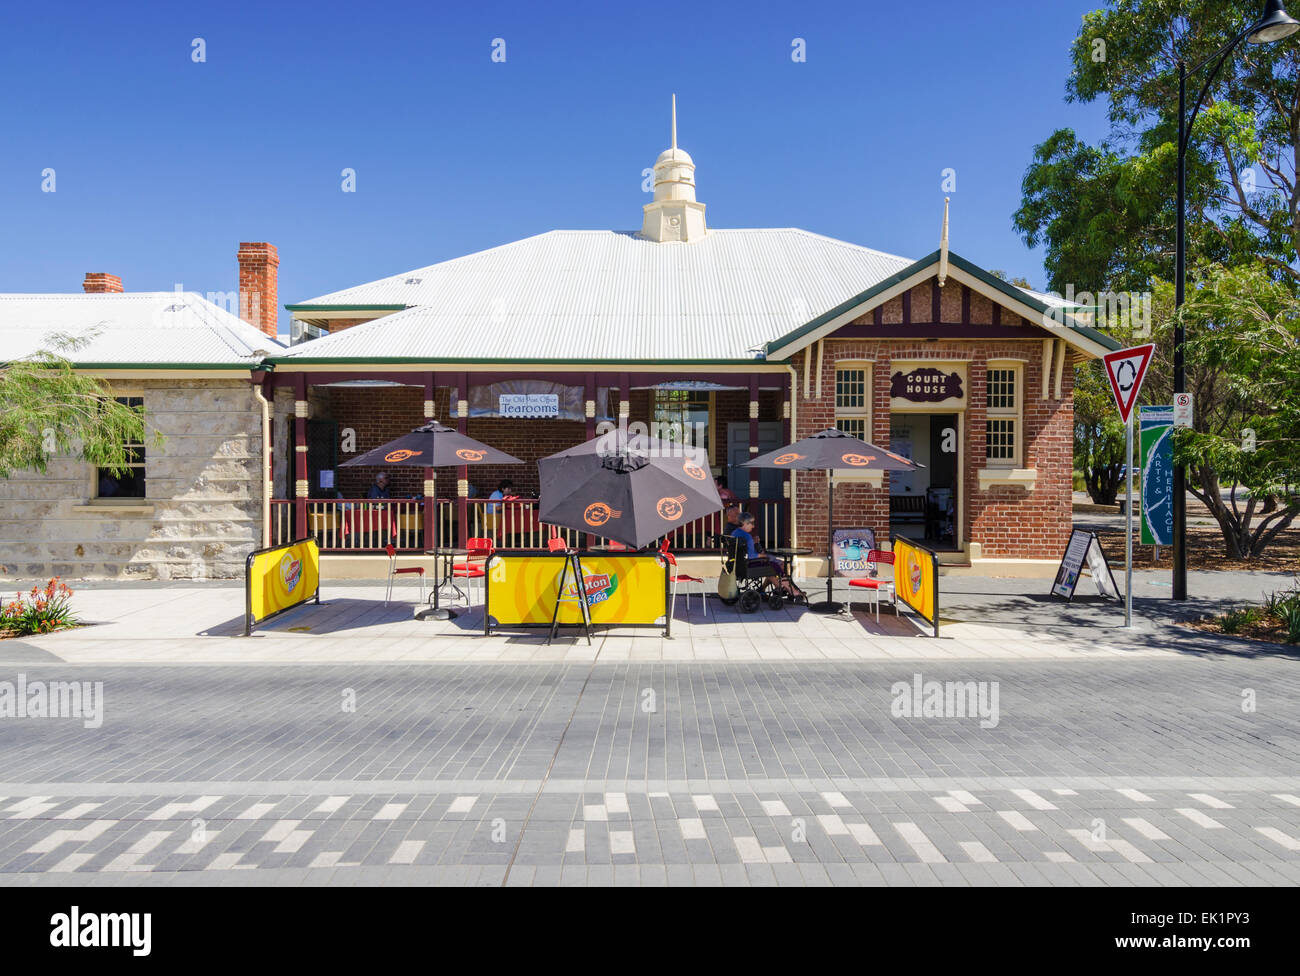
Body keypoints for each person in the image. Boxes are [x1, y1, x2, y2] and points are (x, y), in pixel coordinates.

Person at [730, 512, 803, 599]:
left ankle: (778, 588)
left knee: (772, 566)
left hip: (738, 565)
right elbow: (752, 556)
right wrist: (762, 555)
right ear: (745, 523)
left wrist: (753, 543)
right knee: (775, 566)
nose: (753, 526)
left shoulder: (734, 533)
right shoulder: (747, 536)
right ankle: (790, 590)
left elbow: (742, 549)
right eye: (752, 523)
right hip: (750, 565)